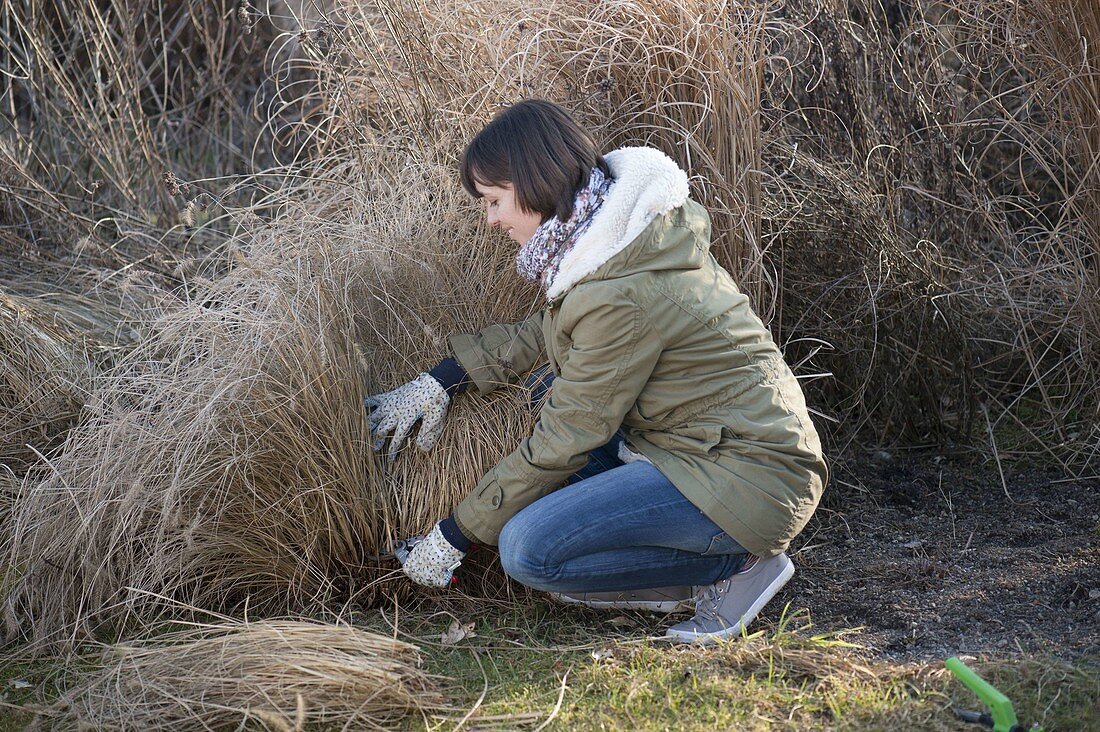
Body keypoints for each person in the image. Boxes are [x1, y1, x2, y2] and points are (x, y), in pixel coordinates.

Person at [364, 99, 827, 644]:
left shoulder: (621, 289)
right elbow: (552, 330)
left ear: (533, 185)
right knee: (541, 389)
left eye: (493, 202)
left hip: (745, 473)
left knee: (528, 550)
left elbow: (567, 437)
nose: (490, 220)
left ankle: (733, 569)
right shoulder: (616, 238)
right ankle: (684, 563)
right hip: (711, 442)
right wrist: (442, 380)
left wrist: (455, 533)